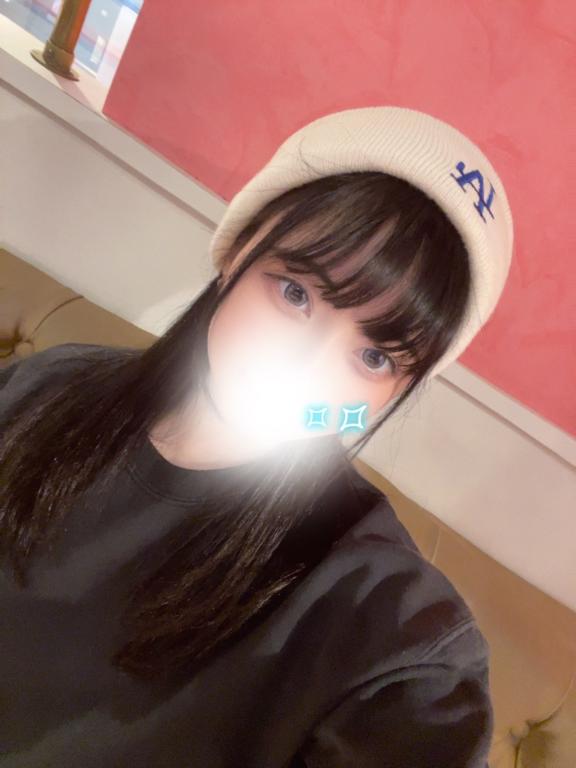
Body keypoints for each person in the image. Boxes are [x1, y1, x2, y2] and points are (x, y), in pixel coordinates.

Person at [0, 105, 513, 767]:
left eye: (375, 357)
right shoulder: (47, 389)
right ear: (238, 252)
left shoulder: (397, 641)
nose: (310, 369)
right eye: (296, 294)